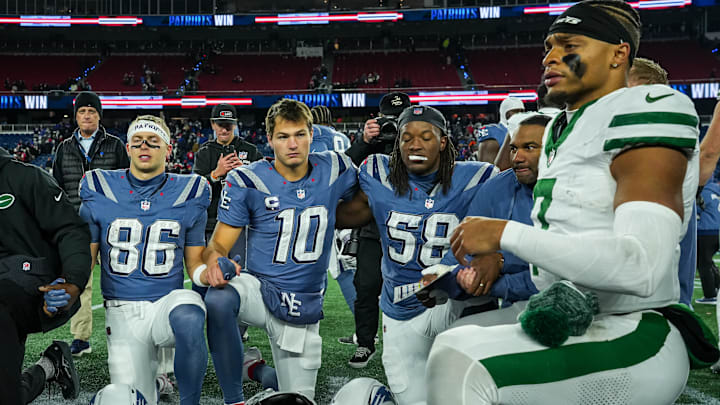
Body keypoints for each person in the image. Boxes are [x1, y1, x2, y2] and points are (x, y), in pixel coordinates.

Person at [426, 2, 707, 403]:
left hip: (634, 326)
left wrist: (505, 235)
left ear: (618, 53)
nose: (550, 56)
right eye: (548, 46)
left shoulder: (647, 107)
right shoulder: (560, 125)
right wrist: (497, 261)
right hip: (569, 310)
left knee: (460, 359)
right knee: (449, 335)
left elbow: (641, 267)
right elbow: (561, 254)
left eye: (569, 44)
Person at [335, 105, 498, 404]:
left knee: (469, 392)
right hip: (401, 310)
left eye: (426, 136)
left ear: (443, 142)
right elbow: (340, 212)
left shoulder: (477, 177)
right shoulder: (377, 173)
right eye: (406, 137)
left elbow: (510, 209)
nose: (415, 144)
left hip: (452, 303)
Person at [200, 99, 358, 403]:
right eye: (283, 137)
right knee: (219, 299)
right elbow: (218, 243)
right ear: (270, 139)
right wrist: (215, 262)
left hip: (305, 303)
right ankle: (234, 400)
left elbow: (364, 205)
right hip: (260, 288)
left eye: (299, 134)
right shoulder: (249, 179)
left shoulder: (336, 168)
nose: (293, 144)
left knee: (296, 399)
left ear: (312, 133)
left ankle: (256, 370)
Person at [79, 115, 210, 405]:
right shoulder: (99, 187)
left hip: (166, 303)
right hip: (122, 311)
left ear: (168, 148)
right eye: (137, 142)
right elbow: (85, 260)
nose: (144, 146)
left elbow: (195, 265)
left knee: (189, 313)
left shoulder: (191, 191)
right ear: (128, 149)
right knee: (122, 398)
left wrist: (210, 274)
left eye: (153, 141)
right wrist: (68, 285)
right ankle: (152, 385)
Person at [0, 146, 91, 404]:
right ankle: (50, 365)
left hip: (29, 287)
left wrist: (73, 281)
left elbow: (69, 230)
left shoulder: (25, 178)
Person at [448, 114, 551, 322]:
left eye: (529, 147)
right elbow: (462, 252)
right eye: (513, 149)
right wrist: (453, 277)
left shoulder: (581, 189)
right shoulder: (497, 187)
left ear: (554, 149)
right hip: (518, 308)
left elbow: (562, 273)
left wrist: (501, 266)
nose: (517, 158)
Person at [52, 91, 130, 357]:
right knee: (80, 279)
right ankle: (81, 338)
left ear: (99, 116)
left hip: (112, 224)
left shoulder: (116, 146)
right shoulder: (64, 148)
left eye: (92, 111)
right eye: (82, 111)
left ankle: (124, 332)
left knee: (118, 278)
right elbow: (58, 188)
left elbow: (127, 183)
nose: (87, 116)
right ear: (76, 116)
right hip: (77, 224)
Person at [340, 92, 412, 368]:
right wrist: (363, 141)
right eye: (389, 120)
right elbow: (344, 170)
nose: (393, 126)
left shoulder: (419, 140)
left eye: (400, 119)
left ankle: (407, 341)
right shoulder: (371, 144)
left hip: (410, 226)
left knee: (410, 287)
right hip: (372, 227)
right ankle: (365, 343)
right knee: (367, 286)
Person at [476, 97, 524, 164]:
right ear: (506, 114)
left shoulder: (524, 130)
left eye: (522, 111)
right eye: (516, 112)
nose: (520, 115)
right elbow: (488, 170)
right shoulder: (493, 132)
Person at [696, 181, 720, 304]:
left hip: (706, 231)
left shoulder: (704, 192)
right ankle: (718, 287)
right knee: (708, 262)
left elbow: (696, 209)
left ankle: (710, 295)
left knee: (703, 264)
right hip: (717, 232)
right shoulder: (716, 192)